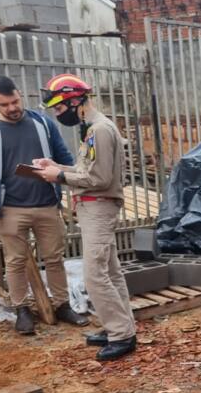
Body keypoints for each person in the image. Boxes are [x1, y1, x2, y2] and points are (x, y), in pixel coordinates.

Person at [0, 75, 88, 334]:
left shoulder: (43, 123)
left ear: (20, 94)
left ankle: (62, 305)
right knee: (15, 261)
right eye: (4, 105)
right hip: (10, 208)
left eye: (15, 101)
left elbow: (65, 160)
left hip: (47, 204)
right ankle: (22, 310)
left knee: (55, 258)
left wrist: (69, 189)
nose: (12, 108)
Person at [33, 74, 137, 361]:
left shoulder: (99, 130)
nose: (57, 114)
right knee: (111, 273)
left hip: (99, 207)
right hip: (93, 206)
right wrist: (57, 166)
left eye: (59, 107)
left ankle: (121, 335)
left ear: (75, 101)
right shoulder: (93, 128)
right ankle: (120, 327)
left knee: (95, 277)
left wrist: (60, 177)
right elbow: (87, 170)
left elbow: (100, 178)